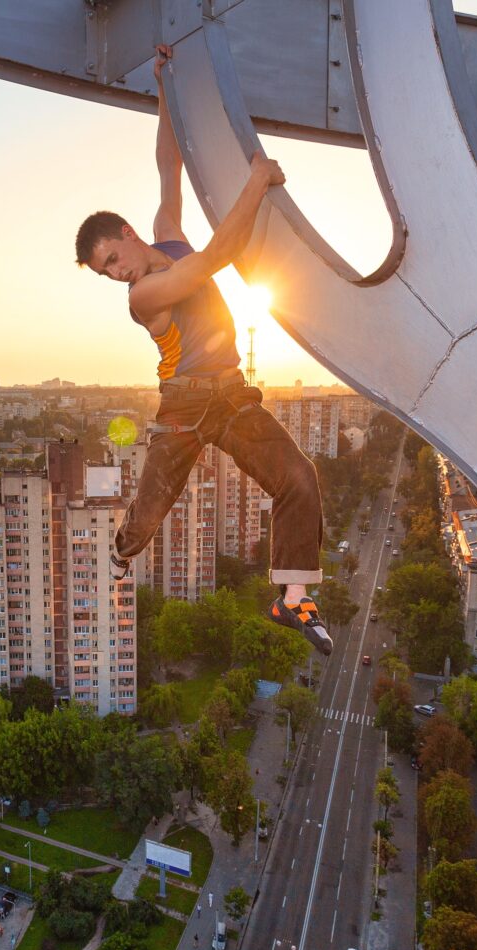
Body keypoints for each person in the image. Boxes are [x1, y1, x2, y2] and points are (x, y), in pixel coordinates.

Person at [75, 44, 332, 657]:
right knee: (152, 506)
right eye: (104, 272)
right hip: (184, 407)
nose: (115, 274)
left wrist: (164, 87)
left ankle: (293, 599)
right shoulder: (146, 297)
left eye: (112, 259)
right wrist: (259, 180)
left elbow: (170, 164)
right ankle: (121, 551)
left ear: (128, 235)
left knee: (299, 477)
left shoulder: (166, 231)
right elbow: (217, 257)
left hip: (231, 396)